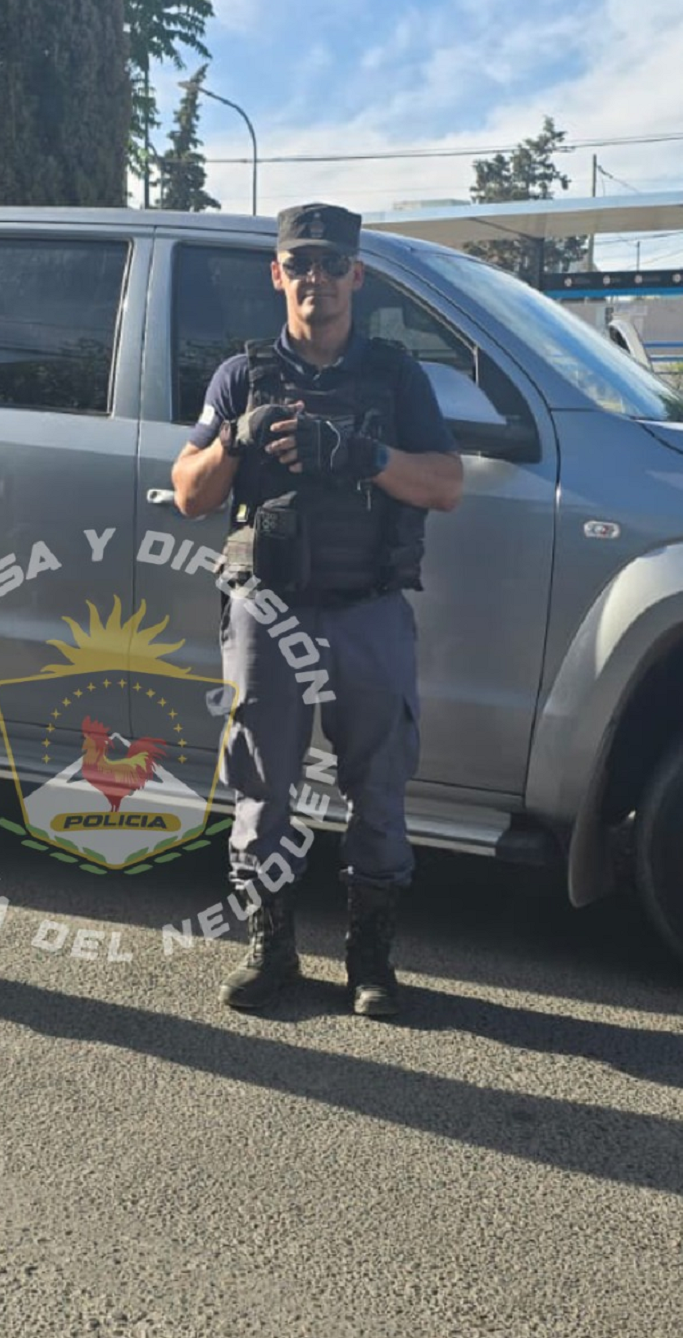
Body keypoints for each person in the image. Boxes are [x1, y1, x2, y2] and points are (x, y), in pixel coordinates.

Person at [171, 202, 463, 1017]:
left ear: (357, 277)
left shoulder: (397, 377)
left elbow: (446, 485)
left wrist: (365, 455)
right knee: (264, 788)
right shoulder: (242, 376)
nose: (317, 280)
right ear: (277, 275)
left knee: (379, 786)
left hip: (368, 609)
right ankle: (273, 954)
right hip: (269, 612)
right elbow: (190, 495)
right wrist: (237, 436)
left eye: (334, 264)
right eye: (300, 264)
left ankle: (370, 962)